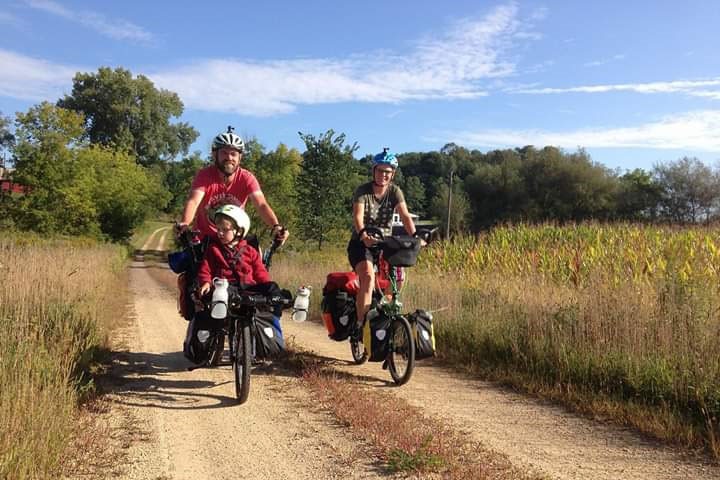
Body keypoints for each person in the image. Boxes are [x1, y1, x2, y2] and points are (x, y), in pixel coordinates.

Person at [347, 148, 420, 333]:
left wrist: (415, 237)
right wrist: (363, 235)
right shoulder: (363, 191)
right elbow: (357, 216)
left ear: (393, 174)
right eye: (380, 170)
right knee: (369, 277)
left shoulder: (395, 191)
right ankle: (360, 325)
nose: (383, 175)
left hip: (384, 242)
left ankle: (380, 309)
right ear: (374, 171)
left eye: (388, 172)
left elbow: (404, 215)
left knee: (398, 279)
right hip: (361, 243)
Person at [176, 126, 289, 244]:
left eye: (233, 154)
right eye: (224, 153)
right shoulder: (204, 175)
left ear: (240, 157)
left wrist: (276, 226)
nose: (229, 158)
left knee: (256, 258)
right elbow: (193, 201)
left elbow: (261, 204)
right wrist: (184, 224)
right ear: (215, 155)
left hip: (234, 240)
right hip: (205, 239)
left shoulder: (247, 178)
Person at [196, 204, 270, 296]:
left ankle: (280, 305)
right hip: (224, 287)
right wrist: (206, 282)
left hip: (249, 289)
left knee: (272, 288)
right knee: (221, 292)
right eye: (218, 229)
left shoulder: (250, 251)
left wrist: (266, 286)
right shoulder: (214, 249)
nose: (220, 233)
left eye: (225, 230)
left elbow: (260, 272)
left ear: (239, 231)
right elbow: (206, 270)